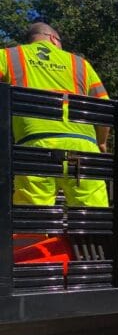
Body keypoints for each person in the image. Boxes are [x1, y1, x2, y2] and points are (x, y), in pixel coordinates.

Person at [0, 22, 110, 207]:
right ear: (53, 38)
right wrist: (101, 142)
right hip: (83, 148)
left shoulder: (9, 56)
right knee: (93, 215)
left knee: (32, 217)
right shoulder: (80, 64)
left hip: (34, 146)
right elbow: (104, 108)